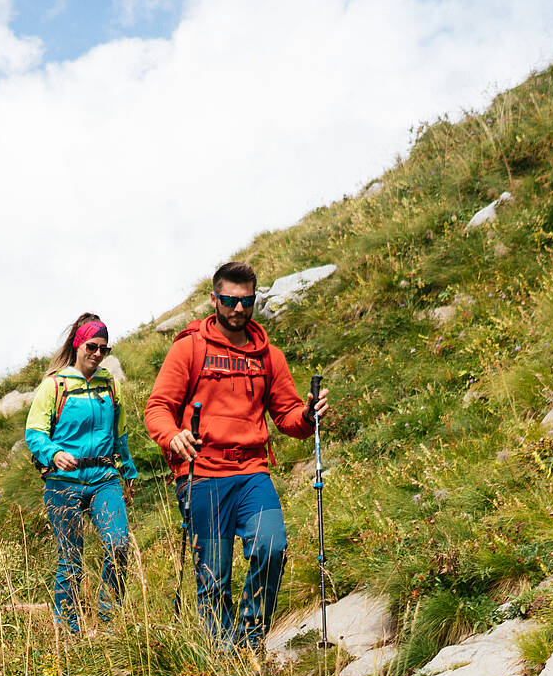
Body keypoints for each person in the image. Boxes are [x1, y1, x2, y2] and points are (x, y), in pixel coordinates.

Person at [144, 261, 331, 648]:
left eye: (246, 301)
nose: (238, 309)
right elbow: (158, 407)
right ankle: (224, 662)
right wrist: (172, 436)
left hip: (251, 473)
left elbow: (287, 417)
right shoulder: (189, 347)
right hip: (200, 474)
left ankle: (248, 643)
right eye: (229, 300)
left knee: (271, 546)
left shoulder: (268, 357)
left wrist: (308, 415)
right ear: (214, 299)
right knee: (214, 579)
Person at [25, 313, 139, 636]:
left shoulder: (109, 385)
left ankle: (108, 622)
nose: (98, 354)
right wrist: (54, 454)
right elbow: (34, 433)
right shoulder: (55, 385)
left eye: (104, 348)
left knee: (118, 545)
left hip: (104, 478)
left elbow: (121, 436)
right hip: (63, 484)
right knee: (71, 559)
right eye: (92, 346)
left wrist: (128, 474)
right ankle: (70, 632)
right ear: (78, 343)